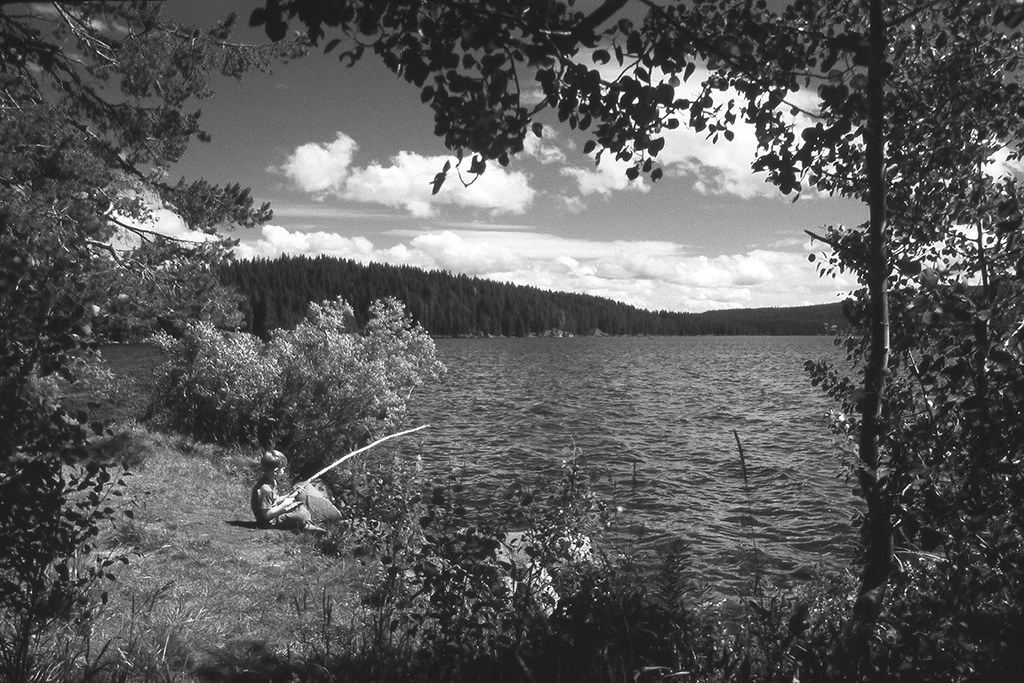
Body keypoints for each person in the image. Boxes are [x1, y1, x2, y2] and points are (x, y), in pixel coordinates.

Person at [251, 450, 326, 532]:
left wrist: (290, 494)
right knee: (302, 515)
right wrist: (284, 504)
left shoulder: (272, 482)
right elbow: (266, 515)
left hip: (274, 514)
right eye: (283, 469)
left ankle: (306, 524)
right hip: (269, 521)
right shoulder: (265, 490)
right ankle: (305, 526)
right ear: (276, 471)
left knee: (300, 505)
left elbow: (275, 500)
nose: (284, 471)